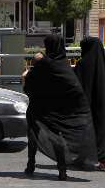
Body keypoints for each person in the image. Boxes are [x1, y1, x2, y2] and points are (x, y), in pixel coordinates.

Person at [23, 35, 97, 180]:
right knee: (57, 140)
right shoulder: (64, 64)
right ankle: (62, 171)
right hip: (59, 111)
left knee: (33, 135)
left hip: (41, 110)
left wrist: (26, 76)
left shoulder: (45, 64)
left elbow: (29, 84)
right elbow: (74, 90)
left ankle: (31, 164)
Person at [74, 37, 105, 171]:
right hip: (102, 104)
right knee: (102, 131)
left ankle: (86, 158)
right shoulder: (102, 64)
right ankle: (104, 159)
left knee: (87, 131)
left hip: (86, 105)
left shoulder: (82, 64)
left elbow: (76, 85)